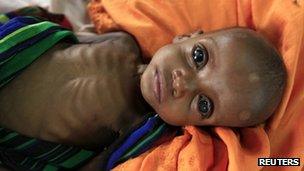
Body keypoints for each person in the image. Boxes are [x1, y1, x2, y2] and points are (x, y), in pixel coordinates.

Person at [0, 12, 286, 171]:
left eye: (204, 105)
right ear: (186, 37)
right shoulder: (122, 42)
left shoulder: (141, 129)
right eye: (198, 58)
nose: (181, 84)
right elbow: (60, 37)